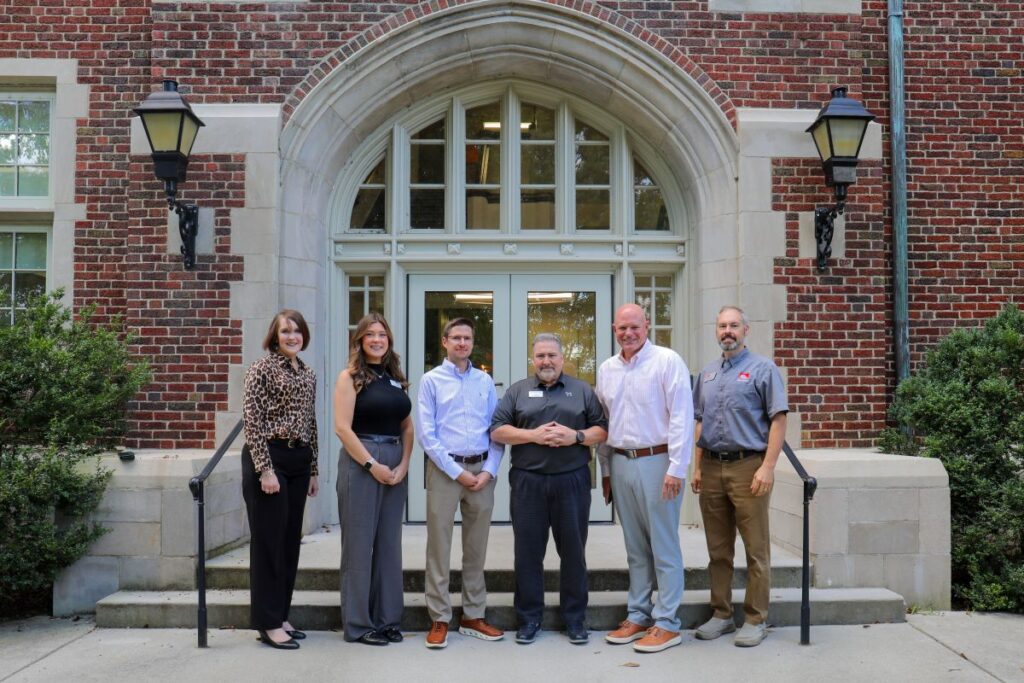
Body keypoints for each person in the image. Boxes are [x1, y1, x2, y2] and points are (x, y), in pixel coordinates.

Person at [490, 333, 607, 646]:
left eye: (551, 356)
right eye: (540, 356)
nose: (546, 362)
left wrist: (576, 437)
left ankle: (575, 619)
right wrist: (533, 436)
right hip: (529, 483)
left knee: (573, 552)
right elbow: (498, 430)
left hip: (572, 481)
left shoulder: (582, 390)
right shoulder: (518, 391)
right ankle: (529, 618)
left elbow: (601, 430)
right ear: (533, 359)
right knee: (528, 553)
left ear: (562, 357)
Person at [596, 303, 693, 654]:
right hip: (621, 461)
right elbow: (605, 423)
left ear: (647, 326)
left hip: (658, 460)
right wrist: (606, 471)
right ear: (613, 329)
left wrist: (677, 469)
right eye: (622, 328)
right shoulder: (607, 369)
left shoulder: (667, 361)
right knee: (635, 548)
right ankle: (638, 615)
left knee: (663, 545)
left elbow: (682, 416)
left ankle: (667, 622)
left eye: (634, 327)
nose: (628, 333)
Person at [691, 305, 788, 648]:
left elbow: (778, 419)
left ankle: (755, 618)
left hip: (750, 465)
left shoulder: (764, 370)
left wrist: (768, 466)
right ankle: (721, 614)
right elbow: (699, 420)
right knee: (718, 549)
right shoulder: (706, 374)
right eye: (722, 326)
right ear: (716, 331)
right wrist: (698, 466)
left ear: (746, 330)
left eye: (733, 325)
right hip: (713, 467)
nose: (727, 331)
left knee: (756, 549)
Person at [416, 317, 505, 649]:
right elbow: (427, 434)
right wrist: (458, 473)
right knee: (439, 547)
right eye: (456, 338)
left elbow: (496, 431)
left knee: (476, 548)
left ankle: (473, 615)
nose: (462, 343)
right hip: (445, 471)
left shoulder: (484, 381)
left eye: (467, 338)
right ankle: (439, 617)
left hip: (481, 472)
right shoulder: (431, 381)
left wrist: (489, 471)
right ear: (444, 341)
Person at [241, 309, 319, 650]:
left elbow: (310, 421)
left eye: (297, 331)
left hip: (299, 459)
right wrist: (264, 468)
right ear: (275, 336)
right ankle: (267, 622)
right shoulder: (262, 368)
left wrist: (313, 468)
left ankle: (281, 614)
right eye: (285, 331)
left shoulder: (308, 373)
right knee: (268, 542)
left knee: (289, 542)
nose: (292, 336)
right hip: (270, 457)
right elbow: (252, 419)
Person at [334, 312, 413, 646]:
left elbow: (407, 426)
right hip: (362, 461)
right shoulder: (349, 376)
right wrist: (370, 465)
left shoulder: (395, 376)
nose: (377, 339)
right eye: (370, 335)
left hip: (395, 460)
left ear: (388, 340)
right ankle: (358, 625)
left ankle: (387, 620)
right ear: (360, 341)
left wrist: (405, 464)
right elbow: (342, 427)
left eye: (382, 334)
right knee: (359, 545)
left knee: (388, 546)